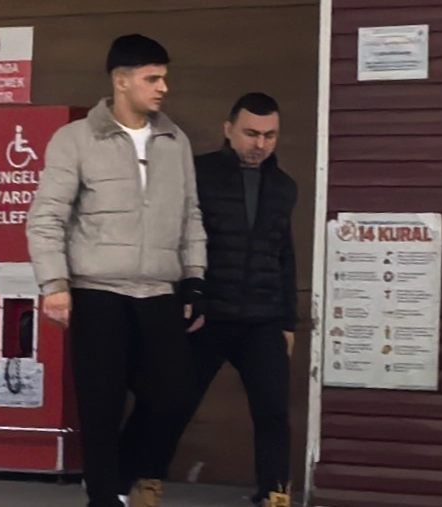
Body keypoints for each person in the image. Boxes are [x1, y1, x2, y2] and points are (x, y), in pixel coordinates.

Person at [26, 34, 207, 507]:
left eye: (164, 78)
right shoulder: (76, 139)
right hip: (97, 291)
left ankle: (119, 477)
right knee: (101, 407)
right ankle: (105, 497)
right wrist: (54, 284)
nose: (163, 87)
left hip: (158, 291)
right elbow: (46, 217)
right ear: (121, 81)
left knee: (174, 395)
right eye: (152, 78)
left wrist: (195, 277)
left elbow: (190, 215)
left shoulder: (174, 140)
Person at [174, 93, 298, 507]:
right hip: (208, 314)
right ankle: (141, 481)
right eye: (251, 133)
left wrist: (288, 322)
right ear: (228, 130)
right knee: (173, 403)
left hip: (263, 319)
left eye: (269, 135)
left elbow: (284, 256)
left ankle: (274, 494)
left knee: (273, 411)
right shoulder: (199, 174)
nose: (260, 144)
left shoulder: (284, 187)